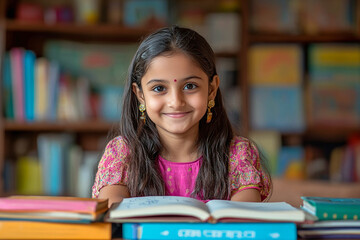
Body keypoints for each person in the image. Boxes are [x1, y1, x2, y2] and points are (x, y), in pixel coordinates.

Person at [92, 26, 271, 206]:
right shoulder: (124, 154)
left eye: (190, 86)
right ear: (140, 95)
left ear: (212, 89)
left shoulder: (237, 154)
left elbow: (244, 221)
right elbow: (112, 214)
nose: (176, 102)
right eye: (159, 88)